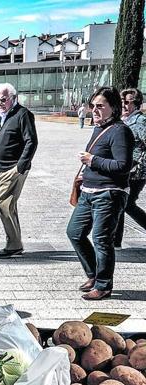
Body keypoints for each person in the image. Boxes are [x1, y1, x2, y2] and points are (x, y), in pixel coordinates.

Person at [66, 86, 134, 301]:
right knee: (74, 232)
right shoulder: (99, 128)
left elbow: (123, 165)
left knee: (102, 239)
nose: (94, 110)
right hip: (88, 192)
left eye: (100, 106)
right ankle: (93, 274)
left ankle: (104, 285)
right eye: (92, 106)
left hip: (109, 194)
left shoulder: (120, 131)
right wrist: (86, 173)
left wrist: (92, 161)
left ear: (113, 108)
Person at [0, 83, 37, 258]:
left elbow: (31, 141)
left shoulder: (23, 114)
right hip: (2, 168)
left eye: (3, 100)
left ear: (13, 98)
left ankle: (13, 244)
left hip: (13, 168)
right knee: (9, 206)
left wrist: (20, 167)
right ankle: (16, 243)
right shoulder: (1, 115)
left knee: (2, 205)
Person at [114, 88, 146, 248]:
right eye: (122, 102)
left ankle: (115, 241)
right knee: (121, 201)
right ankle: (115, 241)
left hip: (136, 172)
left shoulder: (140, 121)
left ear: (136, 103)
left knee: (127, 203)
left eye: (127, 102)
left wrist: (136, 161)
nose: (124, 105)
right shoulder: (125, 120)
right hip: (126, 169)